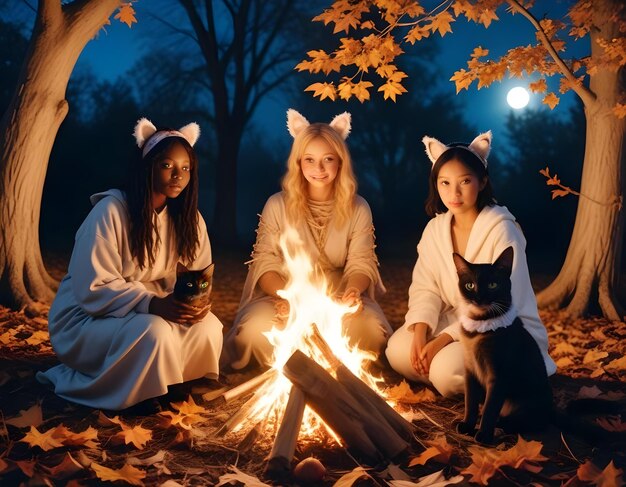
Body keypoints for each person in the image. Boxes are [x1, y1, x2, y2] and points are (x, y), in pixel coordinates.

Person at [37, 118, 223, 411]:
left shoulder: (189, 219)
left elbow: (198, 274)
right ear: (148, 165)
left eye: (185, 168)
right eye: (167, 165)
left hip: (153, 309)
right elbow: (93, 289)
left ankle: (175, 382)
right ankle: (134, 393)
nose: (178, 175)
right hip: (89, 316)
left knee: (208, 326)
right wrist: (153, 304)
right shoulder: (110, 211)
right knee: (153, 331)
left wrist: (191, 305)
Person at [385, 131, 556, 397]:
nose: (454, 193)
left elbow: (508, 302)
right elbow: (425, 287)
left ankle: (487, 380)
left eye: (464, 181)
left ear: (482, 181)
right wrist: (421, 330)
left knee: (445, 371)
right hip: (456, 319)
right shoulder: (435, 229)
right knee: (397, 350)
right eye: (444, 183)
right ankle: (463, 380)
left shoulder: (501, 229)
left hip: (501, 328)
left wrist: (442, 340)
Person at [222, 109, 392, 370]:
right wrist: (289, 297)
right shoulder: (277, 205)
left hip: (337, 296)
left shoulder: (359, 208)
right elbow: (264, 262)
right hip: (283, 294)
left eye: (328, 159)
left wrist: (352, 293)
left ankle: (333, 367)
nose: (319, 169)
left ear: (340, 162)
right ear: (298, 162)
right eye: (309, 160)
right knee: (254, 332)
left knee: (371, 332)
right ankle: (293, 369)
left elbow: (362, 262)